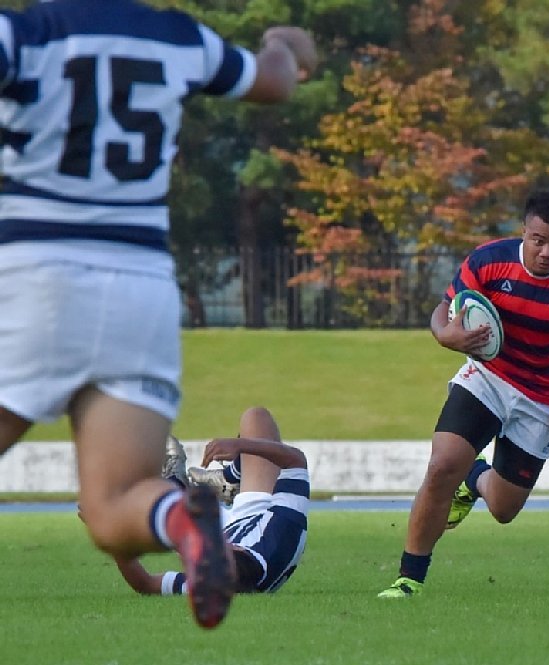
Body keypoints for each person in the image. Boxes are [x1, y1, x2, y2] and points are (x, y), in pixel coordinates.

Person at [0, 1, 317, 628]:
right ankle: (179, 516)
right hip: (141, 288)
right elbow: (275, 79)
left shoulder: (25, 33)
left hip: (39, 275)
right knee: (116, 502)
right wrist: (286, 45)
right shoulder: (178, 36)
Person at [379, 189, 549, 598]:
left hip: (544, 397)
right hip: (488, 377)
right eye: (538, 240)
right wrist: (445, 335)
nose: (547, 252)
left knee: (504, 509)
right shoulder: (489, 261)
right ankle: (408, 579)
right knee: (441, 467)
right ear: (523, 231)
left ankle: (474, 479)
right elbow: (446, 308)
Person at [112, 407, 310, 596]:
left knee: (153, 508)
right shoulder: (282, 533)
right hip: (259, 511)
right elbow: (295, 461)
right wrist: (240, 445)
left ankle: (175, 483)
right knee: (256, 418)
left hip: (225, 531)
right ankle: (230, 479)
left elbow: (145, 583)